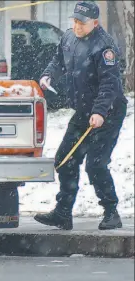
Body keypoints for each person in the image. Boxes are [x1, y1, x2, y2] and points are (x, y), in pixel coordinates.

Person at [35, 1, 127, 230]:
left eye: (82, 23)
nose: (77, 26)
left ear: (95, 23)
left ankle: (111, 212)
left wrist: (100, 112)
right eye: (74, 21)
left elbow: (110, 83)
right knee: (65, 159)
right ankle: (63, 213)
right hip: (84, 111)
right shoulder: (68, 38)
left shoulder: (104, 47)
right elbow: (58, 60)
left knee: (95, 165)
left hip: (109, 112)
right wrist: (48, 75)